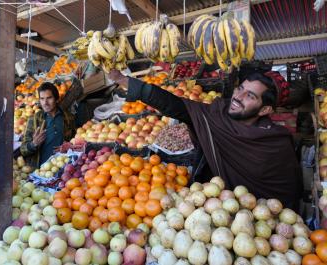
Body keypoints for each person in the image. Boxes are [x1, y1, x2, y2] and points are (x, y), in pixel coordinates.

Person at [109, 70, 302, 210]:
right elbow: (176, 106)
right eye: (240, 88)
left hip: (262, 220)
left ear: (265, 110)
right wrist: (124, 80)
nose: (238, 97)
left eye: (250, 96)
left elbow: (287, 193)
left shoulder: (275, 143)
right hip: (217, 208)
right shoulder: (217, 114)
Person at [20, 82, 75, 168]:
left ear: (56, 99)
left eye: (49, 98)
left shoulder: (68, 118)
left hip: (64, 167)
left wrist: (69, 146)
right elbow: (23, 150)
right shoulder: (34, 120)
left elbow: (76, 142)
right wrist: (33, 144)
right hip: (42, 171)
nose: (45, 102)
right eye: (42, 99)